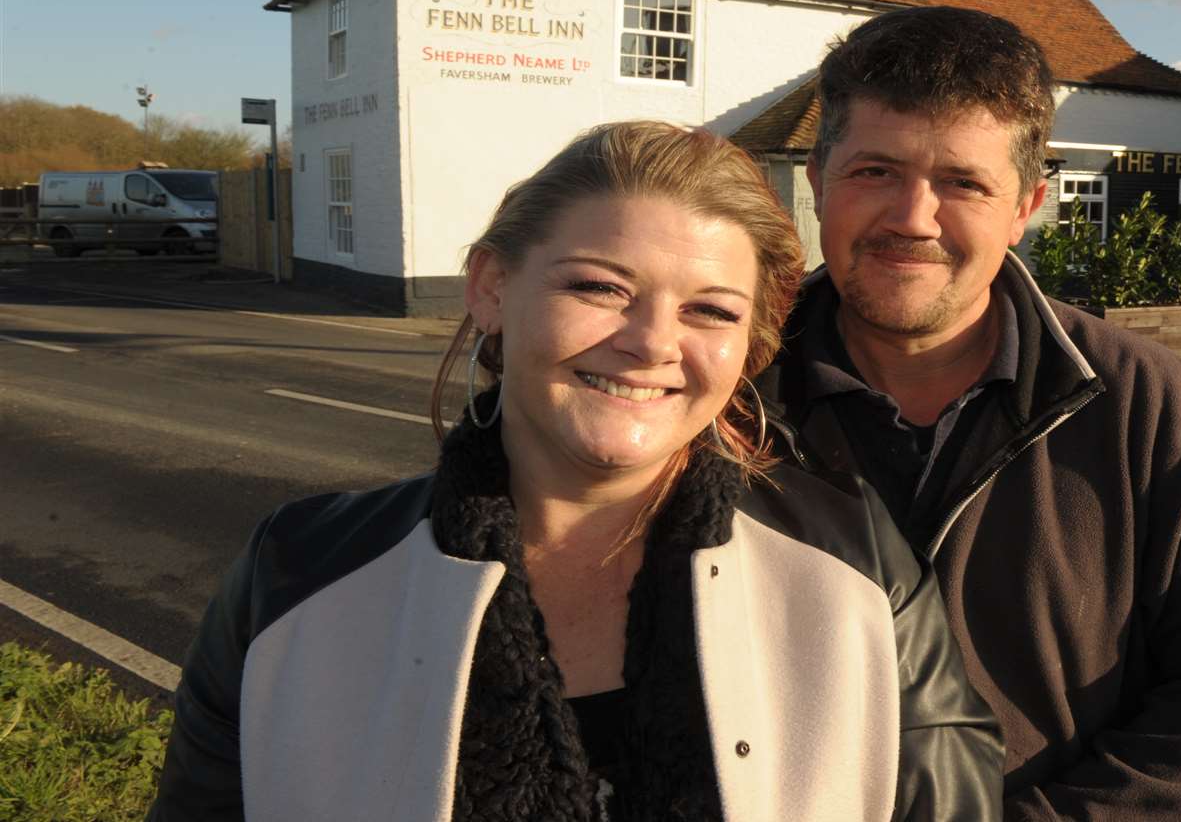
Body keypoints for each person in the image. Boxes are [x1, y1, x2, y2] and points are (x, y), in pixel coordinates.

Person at [149, 121, 1003, 822]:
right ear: (490, 287)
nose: (653, 343)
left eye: (710, 310)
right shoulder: (297, 574)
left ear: (749, 346)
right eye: (599, 287)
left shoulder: (858, 571)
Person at [756, 8, 1181, 820]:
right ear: (817, 180)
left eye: (963, 183)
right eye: (875, 171)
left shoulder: (1155, 409)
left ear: (1025, 205)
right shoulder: (721, 393)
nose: (913, 219)